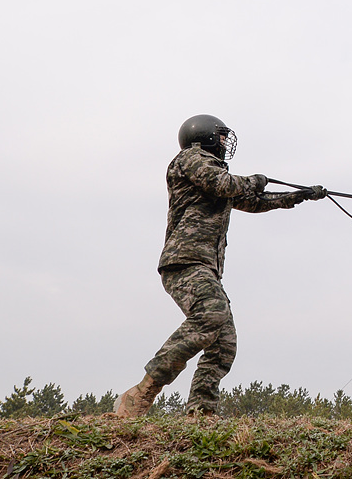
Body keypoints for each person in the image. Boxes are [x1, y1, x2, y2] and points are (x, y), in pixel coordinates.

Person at [114, 114, 326, 418]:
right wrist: (254, 180)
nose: (226, 143)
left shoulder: (213, 176)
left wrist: (297, 196)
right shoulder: (190, 159)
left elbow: (252, 201)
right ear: (205, 137)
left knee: (223, 343)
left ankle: (201, 414)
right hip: (184, 261)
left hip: (204, 267)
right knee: (211, 315)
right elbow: (226, 185)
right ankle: (141, 394)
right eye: (222, 137)